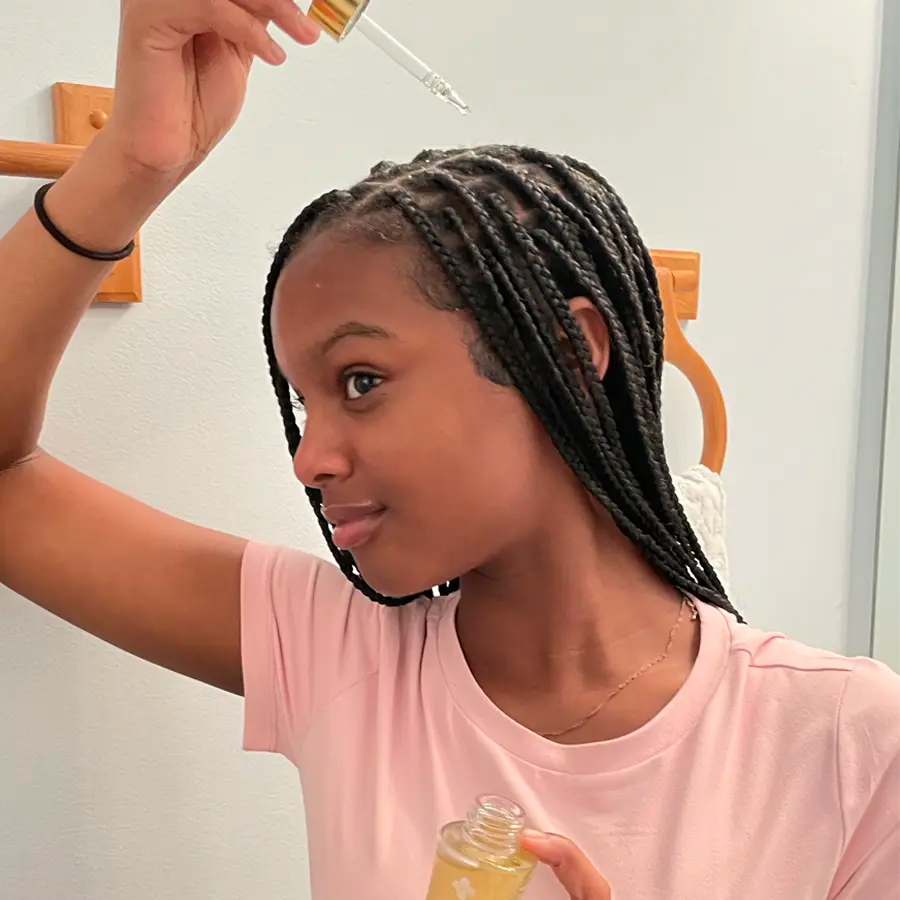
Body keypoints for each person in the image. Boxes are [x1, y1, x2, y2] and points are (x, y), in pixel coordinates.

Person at [1, 1, 898, 897]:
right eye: (302, 401)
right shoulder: (334, 653)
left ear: (565, 348)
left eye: (360, 381)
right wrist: (132, 161)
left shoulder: (851, 744)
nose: (309, 459)